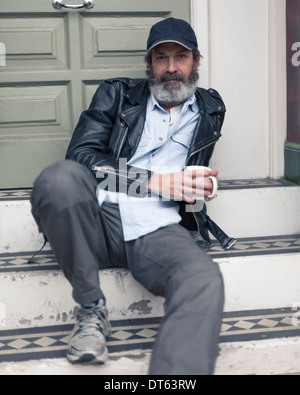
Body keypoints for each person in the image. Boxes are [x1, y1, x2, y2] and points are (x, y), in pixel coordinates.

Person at [30, 18, 235, 375]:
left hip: (158, 229)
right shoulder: (117, 94)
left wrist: (204, 185)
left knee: (204, 279)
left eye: (181, 56)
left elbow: (195, 170)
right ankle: (92, 309)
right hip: (97, 217)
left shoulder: (211, 108)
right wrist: (153, 182)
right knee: (58, 178)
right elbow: (81, 156)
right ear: (149, 64)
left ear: (196, 61)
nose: (171, 68)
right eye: (161, 58)